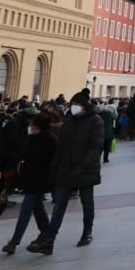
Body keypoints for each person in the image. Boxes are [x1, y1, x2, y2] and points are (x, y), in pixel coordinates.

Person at [31, 90, 102, 254]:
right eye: (72, 105)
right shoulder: (69, 121)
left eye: (76, 105)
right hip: (65, 170)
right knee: (59, 207)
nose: (73, 107)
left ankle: (87, 232)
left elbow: (95, 148)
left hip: (85, 172)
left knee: (87, 203)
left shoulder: (95, 121)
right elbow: (61, 147)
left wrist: (81, 167)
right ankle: (49, 241)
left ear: (84, 106)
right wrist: (55, 168)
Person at [3, 110, 59, 255]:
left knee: (26, 210)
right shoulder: (31, 138)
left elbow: (53, 162)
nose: (31, 126)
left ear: (39, 126)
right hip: (27, 180)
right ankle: (47, 234)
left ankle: (14, 242)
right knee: (37, 208)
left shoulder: (50, 141)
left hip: (40, 181)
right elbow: (22, 156)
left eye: (33, 124)